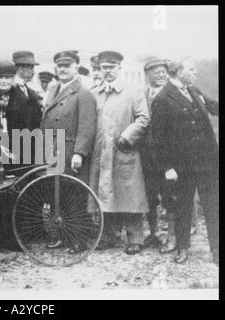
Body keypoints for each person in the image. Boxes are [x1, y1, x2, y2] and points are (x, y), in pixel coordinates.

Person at [151, 57, 218, 264]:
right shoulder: (162, 98)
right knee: (183, 208)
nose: (195, 72)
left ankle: (216, 250)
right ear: (179, 72)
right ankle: (183, 248)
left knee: (212, 207)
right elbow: (158, 139)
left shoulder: (194, 91)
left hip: (206, 162)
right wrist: (167, 167)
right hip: (181, 166)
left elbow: (214, 107)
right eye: (191, 69)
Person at [88, 50, 150, 255]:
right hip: (101, 153)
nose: (107, 71)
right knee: (105, 193)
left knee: (130, 194)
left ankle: (135, 238)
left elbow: (143, 118)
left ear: (119, 68)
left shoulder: (133, 91)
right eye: (103, 68)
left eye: (111, 67)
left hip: (124, 151)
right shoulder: (94, 93)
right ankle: (108, 236)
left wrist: (127, 137)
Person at [0, 60, 42, 252]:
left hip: (20, 152)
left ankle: (18, 237)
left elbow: (32, 126)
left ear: (13, 77)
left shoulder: (26, 97)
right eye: (0, 77)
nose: (4, 81)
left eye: (8, 77)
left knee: (18, 193)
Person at [41, 50, 97, 252]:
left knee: (75, 195)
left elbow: (87, 126)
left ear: (76, 68)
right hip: (53, 150)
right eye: (60, 66)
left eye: (67, 66)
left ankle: (79, 240)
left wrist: (79, 153)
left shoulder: (83, 93)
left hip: (70, 151)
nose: (63, 69)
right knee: (58, 194)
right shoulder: (53, 90)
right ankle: (63, 236)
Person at [140, 57, 168, 249]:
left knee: (170, 195)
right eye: (156, 72)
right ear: (147, 74)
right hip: (146, 156)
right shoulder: (142, 94)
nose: (161, 74)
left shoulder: (171, 94)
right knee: (149, 196)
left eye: (163, 71)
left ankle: (173, 236)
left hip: (167, 156)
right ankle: (153, 231)